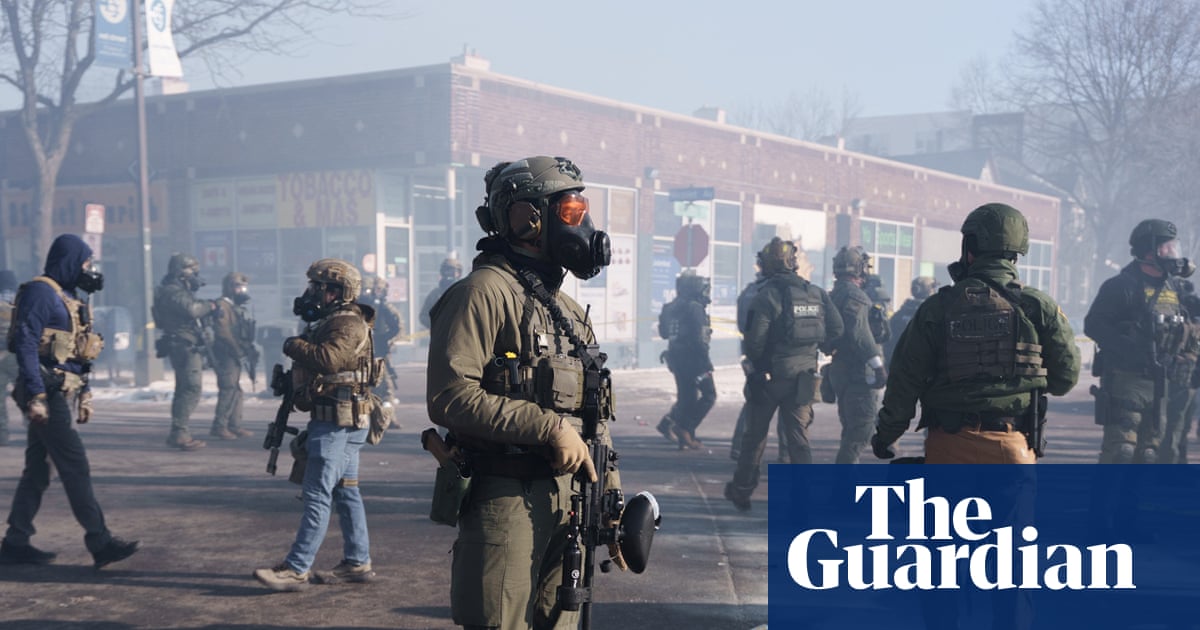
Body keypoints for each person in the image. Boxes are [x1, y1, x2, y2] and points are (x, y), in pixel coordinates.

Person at [426, 155, 623, 629]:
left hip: (572, 503)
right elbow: (450, 395)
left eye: (582, 212)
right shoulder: (482, 293)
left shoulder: (568, 312)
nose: (582, 226)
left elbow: (594, 417)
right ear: (527, 219)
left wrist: (611, 499)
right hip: (507, 498)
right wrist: (547, 427)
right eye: (570, 212)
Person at [871, 203, 1080, 465]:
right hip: (1012, 448)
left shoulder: (937, 308)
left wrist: (886, 435)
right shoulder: (1038, 306)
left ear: (969, 249)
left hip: (948, 445)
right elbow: (1065, 378)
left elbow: (905, 378)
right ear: (1016, 253)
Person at [0, 234, 139, 568]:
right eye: (85, 262)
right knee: (74, 464)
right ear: (69, 261)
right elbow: (26, 343)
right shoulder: (40, 292)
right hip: (44, 390)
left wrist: (85, 390)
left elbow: (79, 350)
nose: (89, 268)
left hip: (59, 388)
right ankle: (100, 542)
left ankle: (15, 541)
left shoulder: (70, 297)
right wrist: (36, 395)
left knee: (38, 469)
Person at [254, 258, 378, 591]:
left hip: (336, 422)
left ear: (337, 291)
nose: (311, 294)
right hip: (341, 419)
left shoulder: (347, 323)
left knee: (316, 493)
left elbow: (329, 359)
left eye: (317, 288)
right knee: (346, 491)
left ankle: (297, 568)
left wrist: (293, 344)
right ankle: (357, 561)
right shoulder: (335, 320)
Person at [725, 237, 843, 511]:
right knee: (798, 440)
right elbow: (837, 329)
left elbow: (754, 342)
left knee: (755, 438)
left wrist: (755, 367)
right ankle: (803, 498)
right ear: (793, 262)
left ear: (767, 264)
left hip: (769, 379)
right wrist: (818, 348)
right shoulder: (816, 294)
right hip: (804, 380)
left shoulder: (765, 296)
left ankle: (742, 490)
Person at [1085, 218, 1195, 464]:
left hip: (1162, 382)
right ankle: (1107, 492)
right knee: (1121, 451)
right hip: (1126, 380)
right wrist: (1129, 348)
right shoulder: (1121, 286)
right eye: (1167, 247)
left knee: (1149, 454)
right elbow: (1094, 325)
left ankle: (1134, 492)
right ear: (1149, 251)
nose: (1174, 253)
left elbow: (1189, 329)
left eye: (1174, 246)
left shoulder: (1177, 288)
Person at [827, 246, 887, 464]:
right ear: (859, 268)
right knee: (861, 430)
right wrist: (877, 365)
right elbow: (859, 333)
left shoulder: (832, 295)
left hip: (840, 369)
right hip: (858, 372)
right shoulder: (855, 296)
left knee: (850, 427)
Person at [152, 253, 216, 451]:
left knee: (184, 388)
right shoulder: (173, 292)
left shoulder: (176, 291)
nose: (195, 275)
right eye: (192, 270)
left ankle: (178, 432)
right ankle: (180, 433)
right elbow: (192, 310)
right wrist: (210, 305)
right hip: (183, 344)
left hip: (183, 343)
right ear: (181, 271)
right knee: (191, 388)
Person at [729, 263, 790, 463]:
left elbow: (742, 325)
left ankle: (739, 446)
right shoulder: (776, 292)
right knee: (787, 404)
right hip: (775, 355)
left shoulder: (749, 291)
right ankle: (786, 454)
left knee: (754, 402)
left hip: (754, 355)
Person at [654, 271, 716, 450]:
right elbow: (700, 338)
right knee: (709, 395)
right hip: (695, 359)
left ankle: (679, 432)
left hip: (676, 357)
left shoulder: (670, 307)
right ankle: (685, 429)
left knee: (687, 397)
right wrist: (706, 363)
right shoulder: (695, 308)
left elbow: (663, 333)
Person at [209, 272, 256, 440]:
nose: (241, 290)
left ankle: (234, 425)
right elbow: (222, 332)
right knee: (228, 388)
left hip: (235, 353)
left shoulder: (235, 307)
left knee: (236, 389)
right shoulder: (222, 305)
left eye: (243, 287)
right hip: (226, 354)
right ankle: (219, 426)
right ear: (228, 287)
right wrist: (237, 349)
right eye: (238, 286)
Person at [1161, 279, 1200, 463]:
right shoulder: (1177, 321)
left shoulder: (1185, 321)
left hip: (1186, 380)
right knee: (1175, 426)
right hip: (1180, 379)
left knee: (1178, 426)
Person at [360, 276, 403, 405]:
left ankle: (387, 400)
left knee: (383, 375)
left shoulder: (384, 307)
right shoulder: (361, 306)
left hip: (379, 345)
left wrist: (387, 339)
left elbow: (397, 327)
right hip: (364, 345)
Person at [884, 276, 937, 359]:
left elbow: (889, 339)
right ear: (930, 291)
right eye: (933, 288)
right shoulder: (932, 314)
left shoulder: (901, 313)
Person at [419, 256, 463, 331]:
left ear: (458, 273)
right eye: (447, 271)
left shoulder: (465, 292)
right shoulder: (435, 294)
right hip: (441, 335)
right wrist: (438, 324)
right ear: (442, 272)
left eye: (452, 271)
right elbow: (423, 316)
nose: (449, 274)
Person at [0, 269, 17, 446]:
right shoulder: (19, 303)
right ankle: (37, 430)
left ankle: (2, 434)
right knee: (28, 394)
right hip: (16, 355)